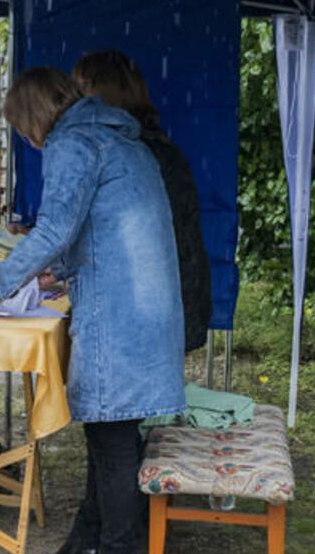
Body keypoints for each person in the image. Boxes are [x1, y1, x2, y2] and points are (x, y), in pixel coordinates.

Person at [0, 67, 185, 554]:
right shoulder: (117, 136)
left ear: (32, 120)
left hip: (120, 311)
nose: (29, 143)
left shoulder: (73, 142)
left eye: (22, 130)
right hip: (146, 304)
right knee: (111, 439)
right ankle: (87, 547)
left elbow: (55, 228)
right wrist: (63, 270)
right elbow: (103, 227)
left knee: (112, 443)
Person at [71, 49, 212, 353]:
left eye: (80, 88)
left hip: (158, 308)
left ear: (97, 89)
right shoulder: (151, 145)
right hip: (171, 300)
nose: (75, 102)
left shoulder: (132, 151)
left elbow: (124, 235)